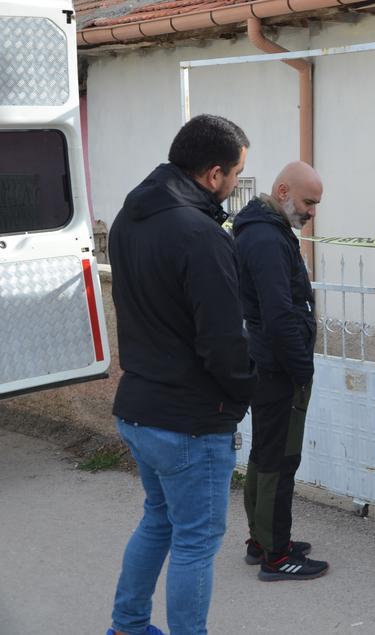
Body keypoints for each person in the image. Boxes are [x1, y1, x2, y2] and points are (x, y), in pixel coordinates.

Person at [106, 114, 257, 635]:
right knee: (195, 542)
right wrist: (248, 390)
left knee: (159, 520)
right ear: (214, 174)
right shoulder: (201, 234)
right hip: (191, 421)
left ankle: (127, 626)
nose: (236, 184)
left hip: (140, 408)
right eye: (237, 174)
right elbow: (222, 340)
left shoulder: (130, 216)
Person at [232, 161, 328, 581]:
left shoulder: (264, 230)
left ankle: (263, 540)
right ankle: (276, 555)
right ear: (284, 191)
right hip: (278, 367)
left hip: (268, 362)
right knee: (279, 459)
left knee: (266, 454)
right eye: (309, 201)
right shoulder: (267, 238)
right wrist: (301, 367)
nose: (312, 211)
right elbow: (279, 312)